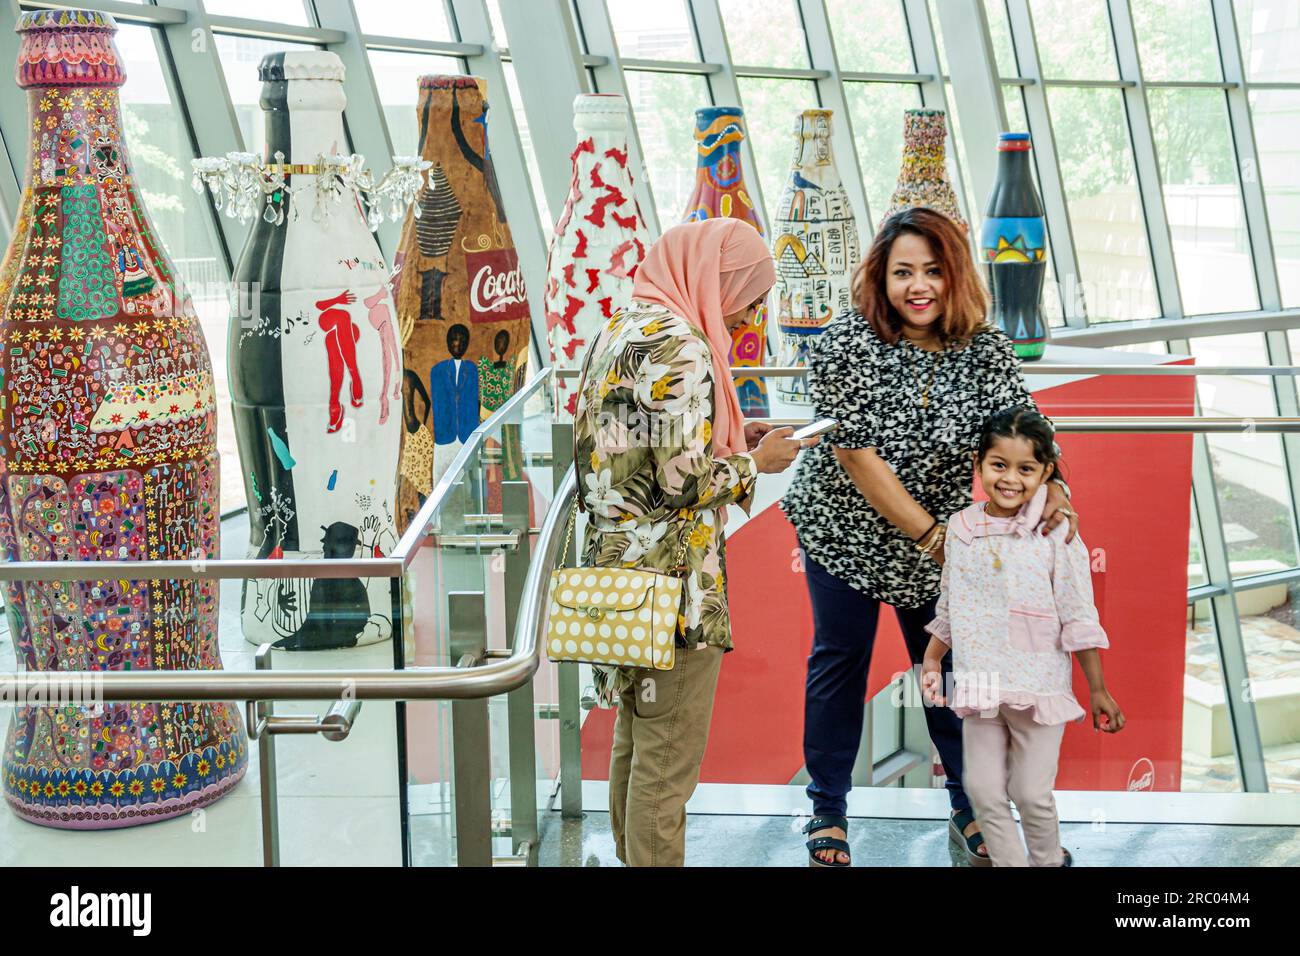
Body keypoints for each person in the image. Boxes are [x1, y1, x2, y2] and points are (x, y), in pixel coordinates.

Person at [781, 206, 1080, 867]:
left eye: (933, 271)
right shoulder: (843, 346)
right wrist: (934, 537)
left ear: (955, 275)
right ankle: (827, 808)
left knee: (952, 674)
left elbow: (1022, 425)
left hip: (943, 542)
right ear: (879, 278)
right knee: (839, 663)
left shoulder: (986, 349)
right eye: (902, 273)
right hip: (847, 534)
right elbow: (856, 456)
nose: (918, 287)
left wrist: (1056, 484)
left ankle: (972, 806)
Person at [573, 217, 803, 866]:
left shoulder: (624, 326)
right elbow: (680, 482)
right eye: (749, 293)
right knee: (668, 760)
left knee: (638, 737)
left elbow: (629, 458)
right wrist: (759, 463)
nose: (754, 312)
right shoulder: (684, 345)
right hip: (673, 585)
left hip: (618, 571)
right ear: (716, 277)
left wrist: (733, 440)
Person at [921, 407, 1124, 866]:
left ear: (1046, 472)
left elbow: (1078, 614)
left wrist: (1097, 689)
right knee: (984, 793)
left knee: (1030, 794)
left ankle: (1049, 862)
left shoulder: (1057, 532)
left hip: (1038, 685)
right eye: (999, 465)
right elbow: (952, 605)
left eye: (1026, 469)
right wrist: (933, 660)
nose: (1010, 479)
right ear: (979, 464)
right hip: (980, 685)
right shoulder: (961, 528)